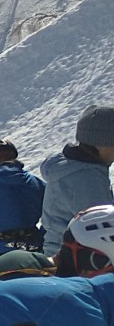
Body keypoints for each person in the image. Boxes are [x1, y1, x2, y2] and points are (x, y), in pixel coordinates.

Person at [38, 105, 114, 252]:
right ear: (99, 143)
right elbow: (104, 231)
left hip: (61, 255)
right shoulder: (86, 179)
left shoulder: (72, 168)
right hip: (78, 263)